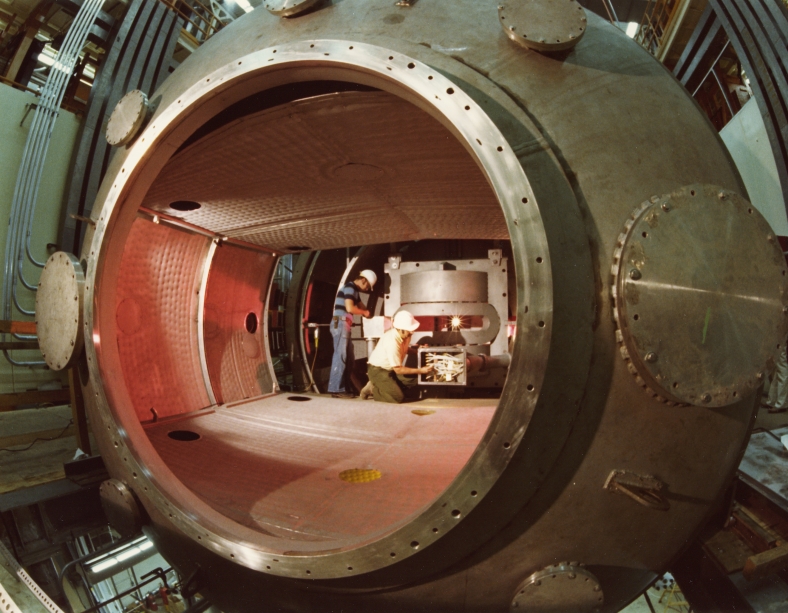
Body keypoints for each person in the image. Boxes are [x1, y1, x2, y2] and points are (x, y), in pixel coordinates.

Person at [361, 310, 434, 403]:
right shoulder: (392, 342)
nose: (412, 332)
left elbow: (405, 349)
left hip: (390, 370)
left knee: (414, 380)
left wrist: (418, 351)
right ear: (401, 329)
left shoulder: (406, 335)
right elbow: (398, 370)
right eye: (410, 330)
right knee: (398, 398)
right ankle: (373, 389)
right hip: (377, 370)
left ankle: (387, 386)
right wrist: (421, 370)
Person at [328, 269, 377, 398]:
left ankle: (344, 387)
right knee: (341, 356)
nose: (367, 289)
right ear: (363, 280)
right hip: (340, 323)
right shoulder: (350, 287)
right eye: (367, 285)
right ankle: (336, 389)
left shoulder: (354, 291)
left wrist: (368, 313)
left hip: (344, 324)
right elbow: (350, 308)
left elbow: (363, 307)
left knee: (349, 358)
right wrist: (364, 313)